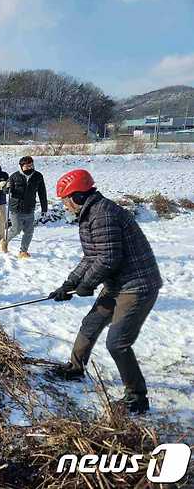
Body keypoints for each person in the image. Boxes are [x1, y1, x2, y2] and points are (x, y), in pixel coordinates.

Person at [48, 169, 162, 414]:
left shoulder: (102, 215)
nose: (65, 206)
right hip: (116, 283)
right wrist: (68, 284)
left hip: (137, 285)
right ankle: (75, 368)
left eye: (65, 200)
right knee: (91, 324)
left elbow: (109, 258)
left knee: (117, 343)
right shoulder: (90, 213)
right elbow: (92, 257)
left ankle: (136, 397)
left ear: (77, 197)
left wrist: (86, 285)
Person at [6, 156, 47, 257]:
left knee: (29, 232)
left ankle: (23, 251)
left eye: (31, 165)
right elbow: (5, 191)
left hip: (29, 208)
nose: (29, 168)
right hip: (16, 208)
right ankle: (5, 241)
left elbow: (42, 193)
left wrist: (44, 208)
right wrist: (6, 188)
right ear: (21, 167)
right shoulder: (14, 176)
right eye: (27, 166)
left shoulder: (38, 176)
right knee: (16, 229)